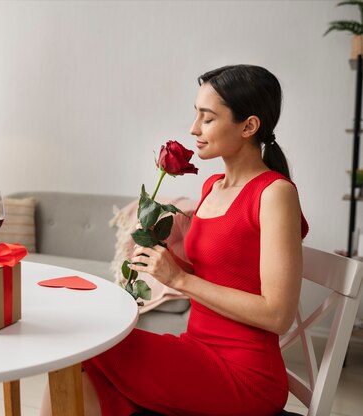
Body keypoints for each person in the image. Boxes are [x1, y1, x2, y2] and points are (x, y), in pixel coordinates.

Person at [39, 65, 309, 416]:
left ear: (249, 126)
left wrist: (179, 279)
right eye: (196, 114)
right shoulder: (212, 187)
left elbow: (277, 315)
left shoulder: (275, 194)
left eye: (207, 118)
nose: (193, 128)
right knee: (77, 365)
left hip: (246, 375)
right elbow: (219, 269)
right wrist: (162, 255)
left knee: (79, 343)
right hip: (196, 348)